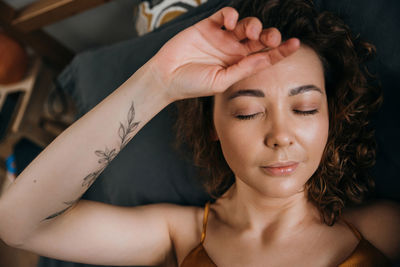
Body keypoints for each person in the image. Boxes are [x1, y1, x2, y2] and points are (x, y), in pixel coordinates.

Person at [0, 0, 399, 266]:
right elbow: (19, 224)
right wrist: (157, 83)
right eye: (248, 111)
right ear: (213, 126)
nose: (281, 135)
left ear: (330, 117)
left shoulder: (381, 226)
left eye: (305, 108)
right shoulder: (182, 235)